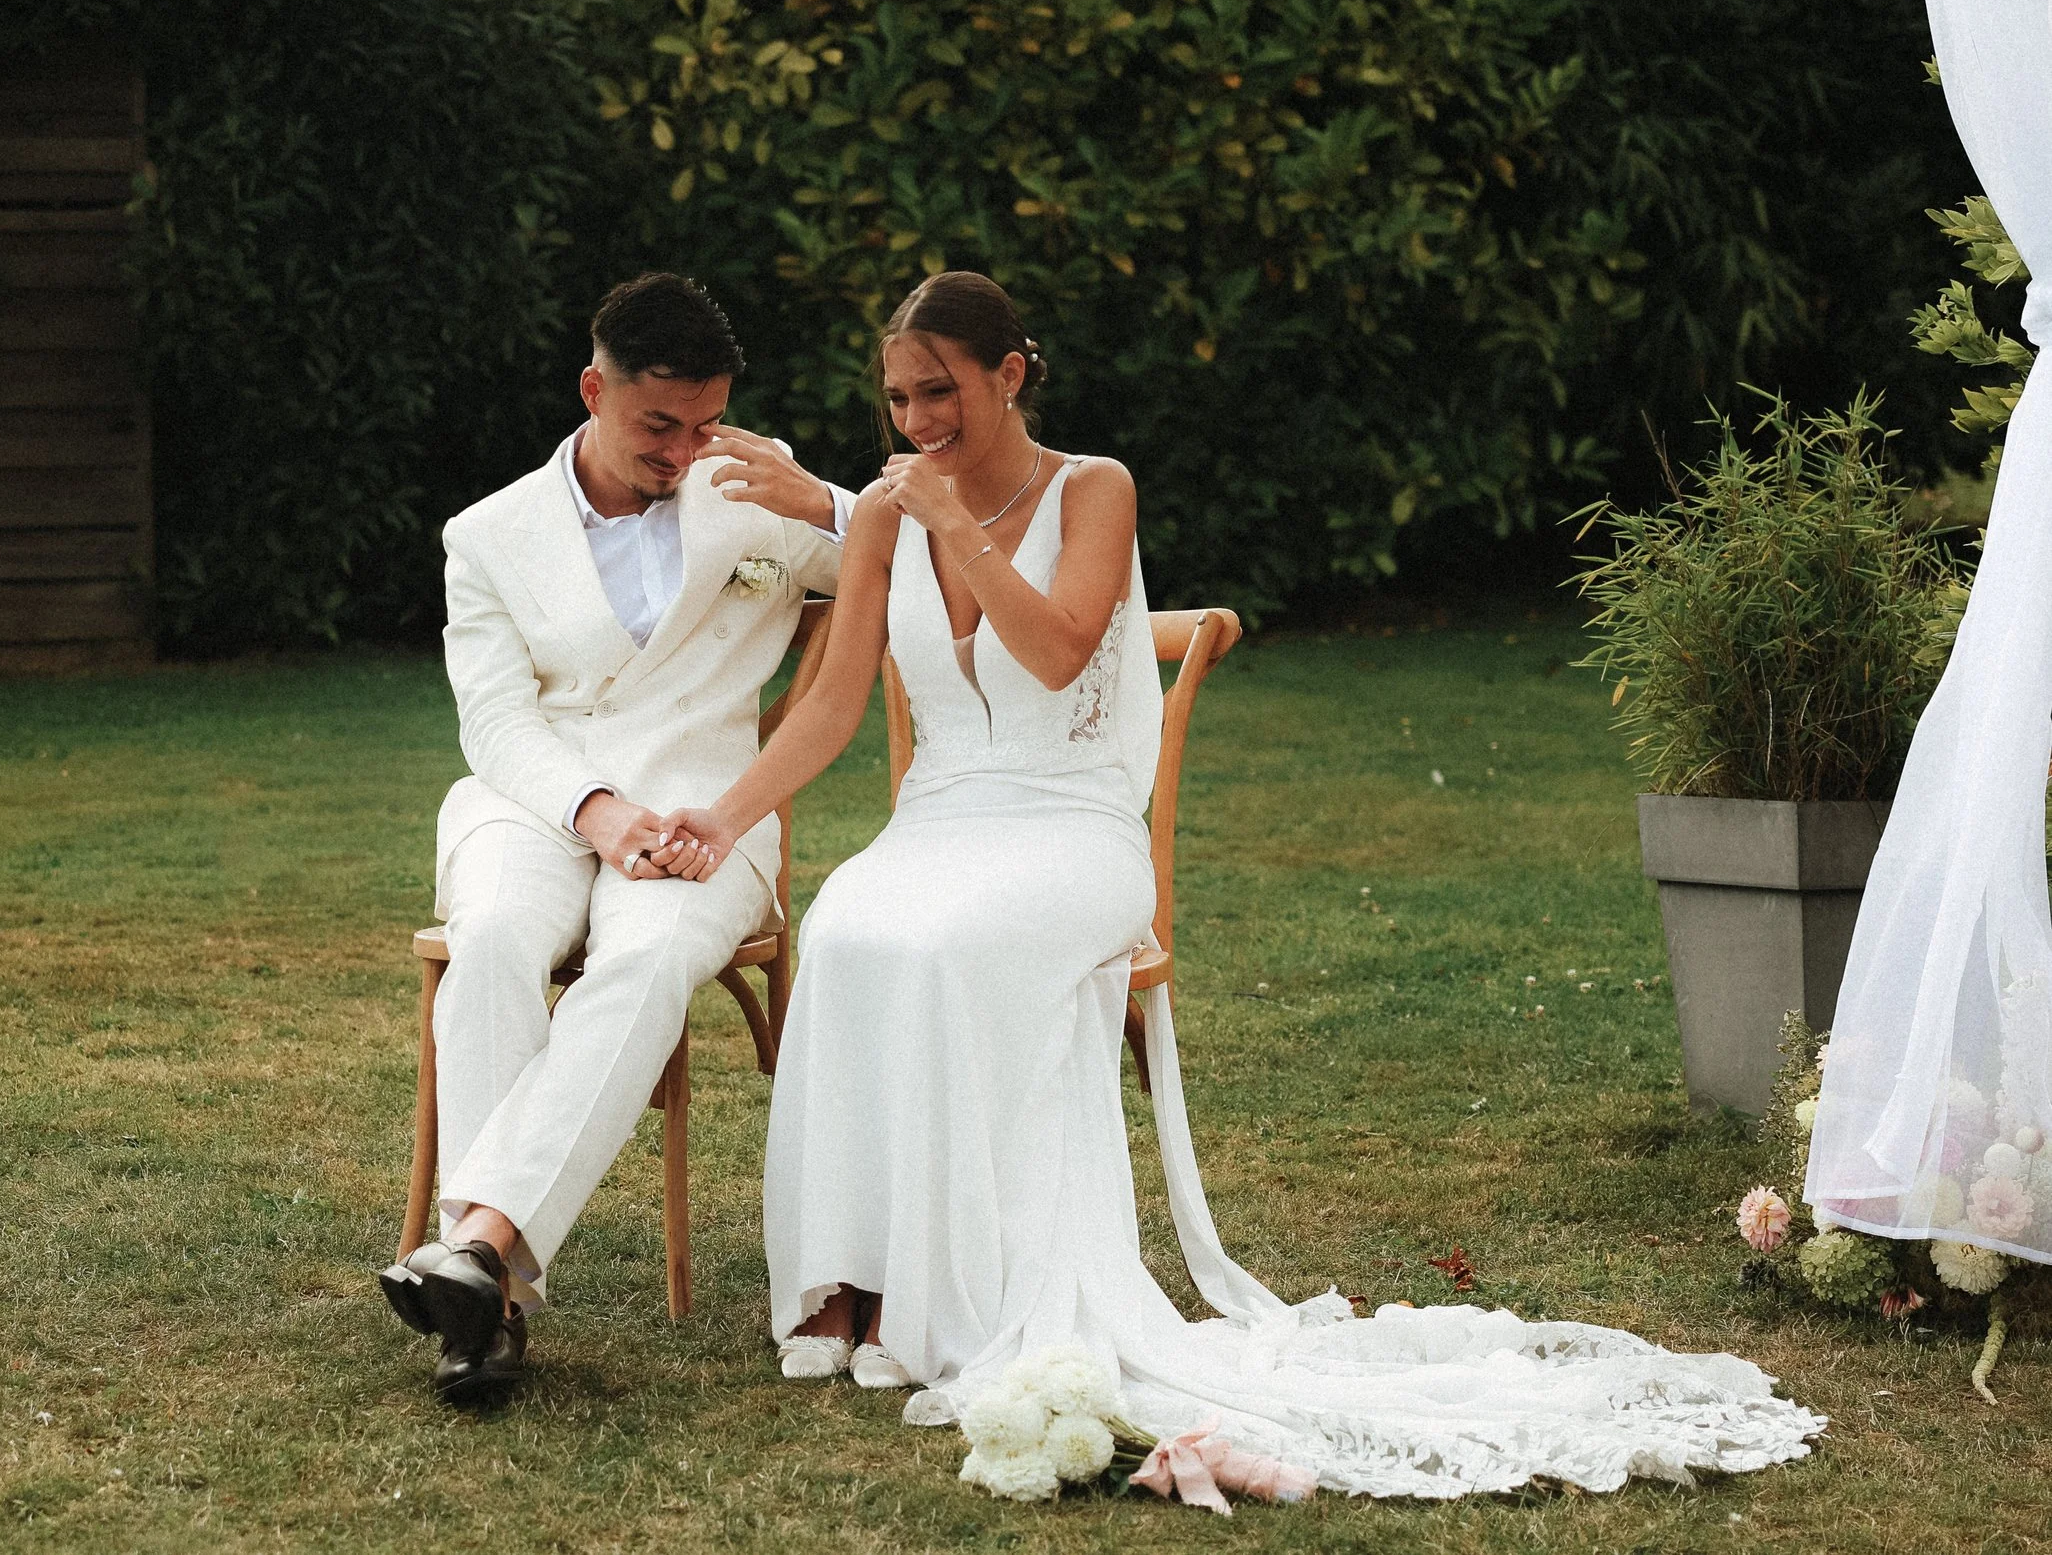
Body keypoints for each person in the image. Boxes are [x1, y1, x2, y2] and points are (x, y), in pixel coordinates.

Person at [660, 271, 1826, 1496]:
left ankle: (947, 1292)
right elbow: (835, 698)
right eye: (897, 399)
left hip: (1070, 833)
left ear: (1009, 373)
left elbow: (1060, 654)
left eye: (937, 391)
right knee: (849, 924)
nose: (914, 421)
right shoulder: (887, 519)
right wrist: (722, 813)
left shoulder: (1090, 488)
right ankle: (853, 1275)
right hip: (942, 819)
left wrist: (950, 524)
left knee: (949, 943)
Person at [384, 273, 854, 1400]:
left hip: (709, 807)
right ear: (594, 390)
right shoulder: (487, 534)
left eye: (705, 422)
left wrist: (825, 506)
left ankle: (478, 1273)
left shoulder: (759, 486)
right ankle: (487, 1285)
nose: (684, 450)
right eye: (658, 424)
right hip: (534, 800)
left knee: (643, 961)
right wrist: (595, 811)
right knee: (493, 933)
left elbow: (904, 560)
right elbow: (493, 720)